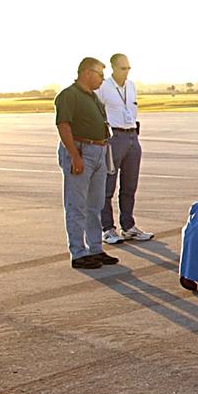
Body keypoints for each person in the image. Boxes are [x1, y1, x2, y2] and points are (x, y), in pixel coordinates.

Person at [54, 58, 120, 269]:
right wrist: (74, 155)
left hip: (99, 151)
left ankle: (95, 249)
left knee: (95, 205)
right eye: (100, 74)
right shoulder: (69, 95)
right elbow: (63, 125)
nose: (102, 79)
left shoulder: (93, 97)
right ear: (87, 73)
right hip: (81, 151)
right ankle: (78, 253)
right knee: (76, 205)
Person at [96, 52, 153, 244]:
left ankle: (128, 226)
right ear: (113, 67)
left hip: (132, 137)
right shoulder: (103, 86)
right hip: (114, 137)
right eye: (123, 68)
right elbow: (96, 110)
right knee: (107, 186)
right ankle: (108, 228)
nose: (126, 71)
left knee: (129, 186)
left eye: (128, 68)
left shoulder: (131, 86)